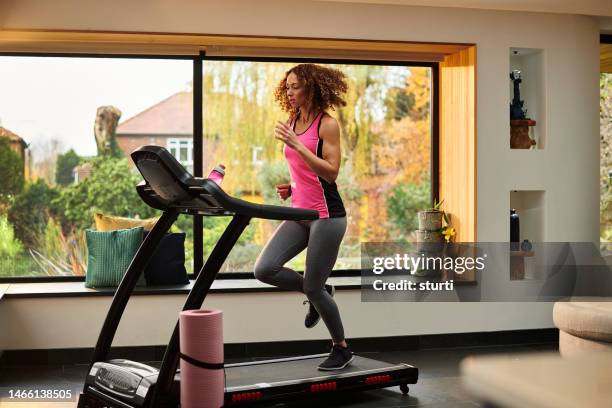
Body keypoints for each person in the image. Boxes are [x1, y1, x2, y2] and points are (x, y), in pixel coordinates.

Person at [253, 63, 352, 371]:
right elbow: (303, 170)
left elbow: (331, 172)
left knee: (312, 287)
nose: (290, 91)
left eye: (295, 86)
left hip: (327, 216)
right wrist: (291, 187)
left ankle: (341, 348)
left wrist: (296, 143)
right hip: (300, 211)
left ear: (312, 87)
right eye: (288, 86)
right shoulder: (293, 120)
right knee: (264, 269)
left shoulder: (327, 124)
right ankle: (320, 290)